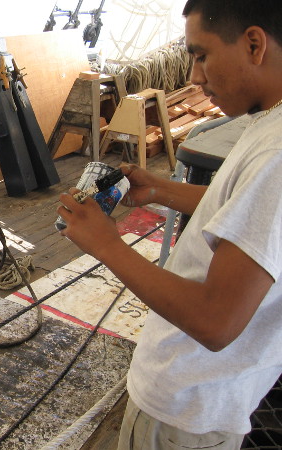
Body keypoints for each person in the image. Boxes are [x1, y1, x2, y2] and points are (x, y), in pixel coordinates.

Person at [57, 0, 282, 448]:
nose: (195, 77)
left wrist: (108, 245)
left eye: (201, 55)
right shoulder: (268, 123)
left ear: (254, 44)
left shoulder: (277, 155)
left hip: (187, 406)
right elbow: (245, 213)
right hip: (200, 396)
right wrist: (161, 191)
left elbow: (215, 322)